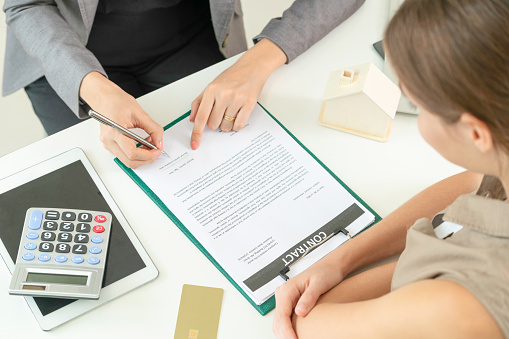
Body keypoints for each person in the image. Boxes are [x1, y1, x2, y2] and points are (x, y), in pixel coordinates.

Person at [272, 0, 509, 337]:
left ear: (474, 133)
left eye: (420, 105)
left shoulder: (460, 304)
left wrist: (420, 263)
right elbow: (473, 181)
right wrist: (341, 259)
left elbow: (308, 321)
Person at [2, 0, 365, 168]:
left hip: (190, 33)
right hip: (65, 49)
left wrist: (258, 61)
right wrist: (94, 87)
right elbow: (25, 5)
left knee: (221, 164)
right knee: (107, 183)